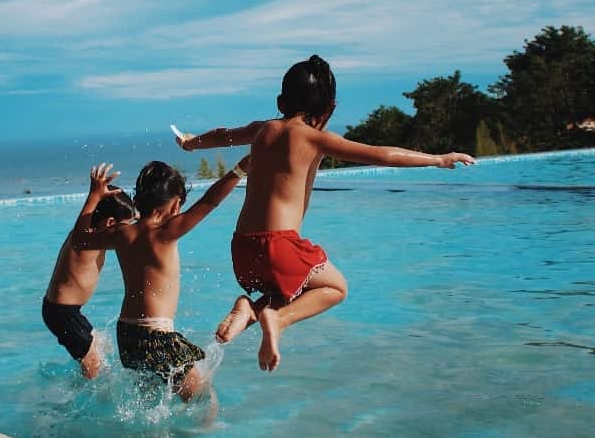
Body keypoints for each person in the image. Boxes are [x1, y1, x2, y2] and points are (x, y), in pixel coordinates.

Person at [176, 54, 474, 372]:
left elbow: (224, 135)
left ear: (280, 100)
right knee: (335, 288)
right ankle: (275, 318)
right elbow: (383, 155)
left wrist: (191, 143)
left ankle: (249, 309)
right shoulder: (316, 138)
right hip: (280, 245)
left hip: (243, 248)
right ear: (329, 108)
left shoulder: (263, 130)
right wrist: (439, 159)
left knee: (289, 287)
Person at [73, 157, 250, 402]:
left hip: (126, 335)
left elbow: (79, 240)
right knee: (203, 397)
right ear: (176, 205)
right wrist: (239, 170)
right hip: (156, 336)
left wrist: (93, 196)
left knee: (150, 399)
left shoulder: (122, 234)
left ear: (137, 201)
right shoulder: (166, 232)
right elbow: (210, 201)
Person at [41, 163, 135, 379]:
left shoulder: (96, 237)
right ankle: (81, 401)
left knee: (103, 346)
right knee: (92, 363)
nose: (128, 231)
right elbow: (83, 230)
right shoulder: (85, 239)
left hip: (67, 311)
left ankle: (85, 382)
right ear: (110, 222)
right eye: (126, 225)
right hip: (61, 313)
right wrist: (94, 194)